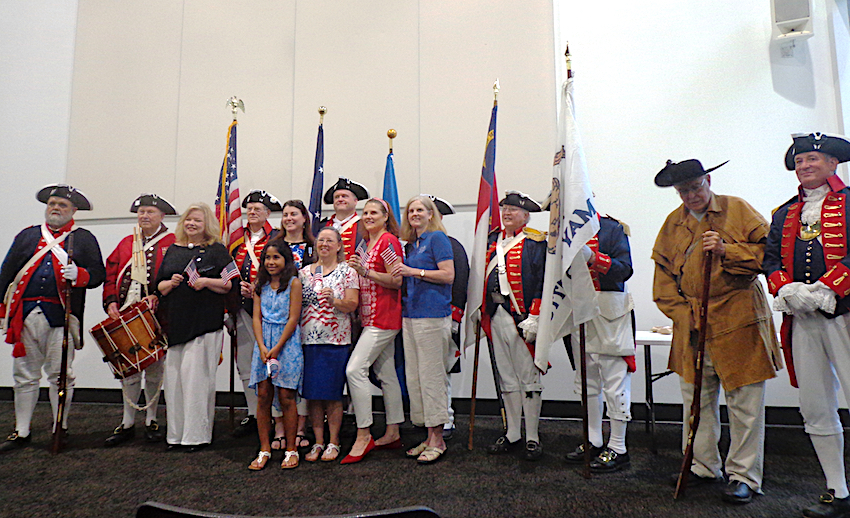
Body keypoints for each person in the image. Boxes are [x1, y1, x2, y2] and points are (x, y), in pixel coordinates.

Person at [652, 159, 782, 504]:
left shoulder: (737, 209)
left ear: (708, 180)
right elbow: (663, 282)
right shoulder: (673, 224)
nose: (691, 195)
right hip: (693, 328)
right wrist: (684, 315)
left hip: (738, 320)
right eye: (683, 190)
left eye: (696, 186)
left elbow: (772, 254)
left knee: (745, 404)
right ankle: (702, 465)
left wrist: (728, 250)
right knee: (697, 403)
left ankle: (744, 476)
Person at [764, 133, 850, 518]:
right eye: (800, 161)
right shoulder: (783, 213)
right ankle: (838, 489)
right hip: (802, 319)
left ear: (834, 163)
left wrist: (829, 287)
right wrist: (790, 289)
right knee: (815, 405)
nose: (805, 166)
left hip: (845, 314)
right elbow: (770, 262)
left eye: (813, 159)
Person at [0, 184, 105, 453]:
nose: (55, 208)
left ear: (73, 211)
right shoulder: (28, 236)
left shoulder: (83, 238)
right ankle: (21, 430)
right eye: (52, 204)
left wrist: (80, 275)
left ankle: (61, 426)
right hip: (25, 316)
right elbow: (6, 273)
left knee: (61, 376)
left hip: (62, 316)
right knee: (24, 375)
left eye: (62, 205)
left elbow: (97, 275)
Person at [156, 203, 238, 451]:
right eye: (189, 220)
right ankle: (176, 435)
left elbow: (230, 283)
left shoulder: (217, 250)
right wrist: (169, 283)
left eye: (197, 221)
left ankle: (196, 435)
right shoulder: (172, 250)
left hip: (204, 324)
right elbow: (158, 286)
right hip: (176, 324)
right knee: (174, 383)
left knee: (197, 382)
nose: (192, 224)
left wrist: (205, 281)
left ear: (207, 225)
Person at [563, 214, 635, 473]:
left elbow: (624, 269)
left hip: (609, 314)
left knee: (615, 385)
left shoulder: (611, 228)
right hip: (577, 313)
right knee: (587, 382)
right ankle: (593, 439)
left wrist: (594, 258)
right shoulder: (561, 233)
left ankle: (618, 447)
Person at [103, 194, 176, 446]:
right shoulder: (126, 243)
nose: (145, 216)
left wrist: (157, 296)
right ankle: (127, 422)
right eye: (142, 212)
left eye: (150, 212)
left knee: (155, 369)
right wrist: (110, 301)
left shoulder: (172, 242)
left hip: (156, 315)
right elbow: (111, 273)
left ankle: (152, 419)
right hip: (126, 313)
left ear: (162, 216)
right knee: (129, 371)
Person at [481, 191, 547, 461]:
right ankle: (512, 433)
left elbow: (544, 280)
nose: (507, 213)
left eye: (513, 210)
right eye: (504, 208)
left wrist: (536, 315)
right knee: (506, 377)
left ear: (526, 215)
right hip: (495, 314)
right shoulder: (490, 240)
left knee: (529, 377)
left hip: (522, 318)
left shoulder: (534, 242)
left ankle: (532, 436)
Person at [341, 198, 404, 464]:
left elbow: (397, 279)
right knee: (386, 374)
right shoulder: (365, 243)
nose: (368, 216)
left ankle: (363, 432)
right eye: (365, 212)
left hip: (384, 317)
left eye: (373, 213)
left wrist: (366, 272)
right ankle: (393, 431)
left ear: (385, 217)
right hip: (369, 316)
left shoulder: (388, 241)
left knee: (354, 369)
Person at [393, 195, 455, 464]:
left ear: (431, 214)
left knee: (432, 378)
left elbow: (448, 274)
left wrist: (414, 272)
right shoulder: (412, 244)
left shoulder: (438, 239)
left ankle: (439, 439)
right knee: (416, 378)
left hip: (432, 316)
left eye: (420, 210)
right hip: (410, 315)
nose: (414, 214)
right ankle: (428, 436)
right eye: (411, 210)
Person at [299, 227, 359, 463]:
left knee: (333, 394)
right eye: (320, 240)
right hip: (307, 340)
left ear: (339, 245)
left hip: (335, 340)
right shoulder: (303, 272)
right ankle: (318, 441)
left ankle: (334, 441)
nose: (324, 244)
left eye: (329, 240)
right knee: (313, 395)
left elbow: (352, 304)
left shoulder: (347, 272)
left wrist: (335, 301)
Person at [247, 242, 303, 470]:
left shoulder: (294, 283)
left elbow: (293, 318)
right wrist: (261, 345)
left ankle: (291, 449)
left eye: (276, 257)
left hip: (286, 343)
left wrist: (278, 346)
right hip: (263, 344)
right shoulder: (260, 284)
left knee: (286, 396)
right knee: (263, 395)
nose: (271, 262)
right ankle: (264, 448)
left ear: (286, 260)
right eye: (267, 257)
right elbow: (256, 318)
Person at [231, 190, 281, 439]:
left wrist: (258, 291)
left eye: (257, 209)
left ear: (267, 213)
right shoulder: (237, 239)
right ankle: (253, 413)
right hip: (241, 307)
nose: (252, 213)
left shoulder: (276, 238)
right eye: (249, 209)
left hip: (267, 309)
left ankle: (274, 414)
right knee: (245, 362)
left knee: (268, 360)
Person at [423, 195, 469, 441]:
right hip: (421, 316)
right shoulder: (416, 244)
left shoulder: (451, 245)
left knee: (443, 369)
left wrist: (455, 316)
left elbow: (459, 283)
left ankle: (446, 418)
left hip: (445, 315)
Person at [275, 199, 316, 450]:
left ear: (304, 219)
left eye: (294, 214)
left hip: (307, 318)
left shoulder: (314, 247)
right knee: (278, 372)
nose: (289, 218)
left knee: (301, 374)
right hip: (277, 317)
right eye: (286, 214)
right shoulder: (274, 246)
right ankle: (280, 428)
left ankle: (300, 428)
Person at [321, 177, 369, 259]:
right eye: (336, 197)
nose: (340, 199)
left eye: (344, 196)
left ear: (355, 201)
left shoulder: (364, 226)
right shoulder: (322, 225)